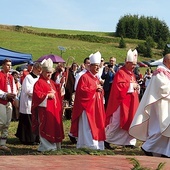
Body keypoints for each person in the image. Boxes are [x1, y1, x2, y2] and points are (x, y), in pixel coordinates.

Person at [129, 53, 170, 157]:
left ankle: (162, 151)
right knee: (160, 128)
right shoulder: (160, 71)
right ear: (165, 61)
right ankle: (148, 147)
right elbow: (162, 88)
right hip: (160, 103)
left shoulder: (167, 71)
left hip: (166, 103)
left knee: (164, 129)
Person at [70, 51, 106, 150]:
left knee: (97, 125)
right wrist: (95, 88)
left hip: (96, 107)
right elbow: (81, 91)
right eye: (95, 66)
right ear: (90, 66)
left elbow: (98, 90)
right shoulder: (84, 77)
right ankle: (88, 144)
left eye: (98, 66)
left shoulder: (96, 78)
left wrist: (100, 90)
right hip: (87, 107)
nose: (97, 68)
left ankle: (97, 144)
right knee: (88, 127)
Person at [105, 49, 139, 149]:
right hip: (120, 102)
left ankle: (129, 142)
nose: (134, 66)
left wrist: (136, 86)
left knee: (131, 121)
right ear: (127, 63)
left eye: (135, 64)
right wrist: (131, 86)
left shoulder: (131, 74)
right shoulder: (121, 72)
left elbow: (133, 84)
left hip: (130, 103)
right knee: (116, 122)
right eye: (132, 64)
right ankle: (106, 139)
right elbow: (119, 87)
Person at [31, 58, 64, 152]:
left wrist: (61, 85)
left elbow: (56, 90)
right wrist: (46, 96)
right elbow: (37, 95)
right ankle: (47, 147)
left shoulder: (51, 82)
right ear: (42, 72)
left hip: (53, 110)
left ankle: (53, 146)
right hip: (44, 110)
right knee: (46, 127)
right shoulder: (39, 83)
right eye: (47, 72)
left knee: (54, 127)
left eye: (50, 72)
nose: (49, 74)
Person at [15, 62, 42, 145]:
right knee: (28, 121)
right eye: (39, 70)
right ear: (35, 69)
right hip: (28, 102)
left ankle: (36, 138)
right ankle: (27, 139)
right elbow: (28, 90)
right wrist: (38, 94)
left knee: (35, 121)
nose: (40, 72)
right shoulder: (28, 78)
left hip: (36, 103)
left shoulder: (38, 78)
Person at [0, 59, 17, 151]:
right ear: (2, 65)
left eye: (10, 65)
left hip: (9, 101)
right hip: (1, 101)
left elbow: (14, 88)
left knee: (7, 123)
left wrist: (14, 94)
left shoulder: (10, 77)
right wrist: (5, 94)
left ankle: (2, 143)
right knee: (1, 121)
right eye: (7, 65)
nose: (9, 67)